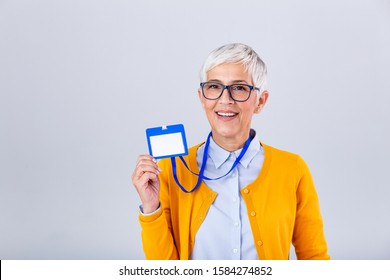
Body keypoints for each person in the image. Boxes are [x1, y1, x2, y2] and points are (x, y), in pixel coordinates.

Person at [132, 43, 330, 260]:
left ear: (260, 101)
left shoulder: (292, 169)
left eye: (239, 88)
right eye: (214, 87)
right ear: (202, 97)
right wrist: (151, 208)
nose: (225, 100)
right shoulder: (174, 168)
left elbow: (314, 258)